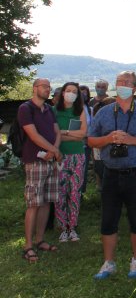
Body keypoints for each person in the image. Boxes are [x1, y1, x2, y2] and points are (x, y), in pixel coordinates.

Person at [88, 71, 136, 280]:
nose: (125, 85)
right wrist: (109, 138)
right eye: (121, 82)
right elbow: (91, 140)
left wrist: (131, 140)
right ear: (115, 85)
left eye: (129, 83)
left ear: (135, 88)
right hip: (110, 173)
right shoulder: (104, 112)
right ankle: (108, 263)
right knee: (108, 220)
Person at [18, 78, 62, 262]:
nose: (48, 89)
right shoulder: (25, 108)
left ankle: (40, 239)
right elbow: (33, 135)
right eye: (44, 86)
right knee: (34, 203)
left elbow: (57, 132)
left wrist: (55, 149)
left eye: (49, 87)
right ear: (35, 88)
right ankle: (28, 246)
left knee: (46, 202)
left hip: (50, 161)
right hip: (35, 161)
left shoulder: (50, 109)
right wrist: (54, 150)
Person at [54, 82, 87, 242]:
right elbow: (53, 136)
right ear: (62, 93)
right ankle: (62, 227)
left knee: (75, 192)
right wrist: (68, 134)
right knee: (61, 192)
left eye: (74, 92)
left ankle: (72, 227)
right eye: (68, 91)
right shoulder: (54, 111)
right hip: (60, 156)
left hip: (78, 156)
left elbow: (82, 135)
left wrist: (63, 132)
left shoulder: (79, 111)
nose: (71, 94)